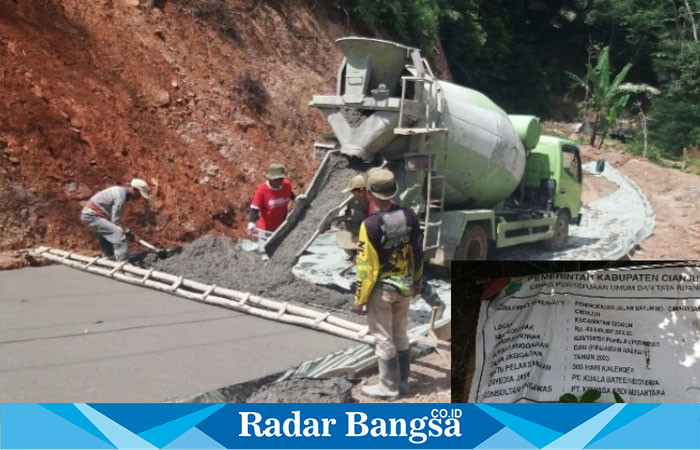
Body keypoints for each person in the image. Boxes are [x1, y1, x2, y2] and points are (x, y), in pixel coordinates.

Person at [353, 168, 424, 398]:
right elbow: (417, 252)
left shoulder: (370, 225)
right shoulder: (409, 216)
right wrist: (417, 281)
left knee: (383, 337)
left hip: (382, 291)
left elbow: (367, 267)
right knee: (401, 334)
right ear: (393, 192)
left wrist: (359, 299)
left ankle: (388, 386)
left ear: (371, 194)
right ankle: (402, 383)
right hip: (404, 287)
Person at [80, 179, 150, 261]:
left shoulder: (121, 193)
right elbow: (115, 221)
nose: (140, 197)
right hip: (92, 216)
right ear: (134, 189)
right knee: (118, 233)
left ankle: (108, 259)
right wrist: (128, 233)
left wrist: (129, 233)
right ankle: (123, 263)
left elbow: (113, 219)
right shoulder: (120, 197)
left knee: (108, 236)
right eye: (140, 194)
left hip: (95, 215)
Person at [247, 163, 299, 252]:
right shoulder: (262, 190)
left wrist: (297, 198)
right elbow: (255, 208)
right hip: (266, 230)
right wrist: (251, 223)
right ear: (270, 178)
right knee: (264, 253)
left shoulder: (286, 184)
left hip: (282, 227)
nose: (279, 182)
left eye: (281, 179)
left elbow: (289, 194)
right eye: (276, 180)